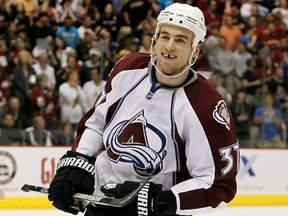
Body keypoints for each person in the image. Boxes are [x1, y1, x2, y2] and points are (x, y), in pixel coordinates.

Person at [47, 3, 239, 216]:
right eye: (165, 36)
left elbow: (218, 186)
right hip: (101, 206)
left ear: (196, 49)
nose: (169, 46)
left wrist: (161, 202)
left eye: (181, 40)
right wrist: (78, 161)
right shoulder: (127, 68)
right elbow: (97, 123)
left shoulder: (206, 105)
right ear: (154, 39)